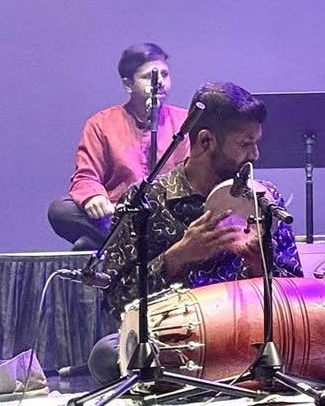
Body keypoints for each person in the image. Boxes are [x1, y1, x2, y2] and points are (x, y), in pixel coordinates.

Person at [88, 81, 302, 382]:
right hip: (177, 338)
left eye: (257, 143)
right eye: (244, 144)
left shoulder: (264, 199)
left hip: (249, 334)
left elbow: (297, 296)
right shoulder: (148, 201)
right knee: (107, 355)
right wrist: (178, 256)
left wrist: (259, 265)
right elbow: (116, 300)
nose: (255, 155)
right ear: (205, 141)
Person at [47, 43, 190, 251]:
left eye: (165, 75)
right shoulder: (101, 123)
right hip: (120, 217)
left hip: (169, 217)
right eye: (149, 76)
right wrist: (93, 197)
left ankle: (110, 245)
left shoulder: (186, 121)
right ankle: (135, 245)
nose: (160, 82)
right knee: (60, 210)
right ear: (128, 84)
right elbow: (86, 176)